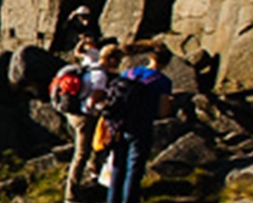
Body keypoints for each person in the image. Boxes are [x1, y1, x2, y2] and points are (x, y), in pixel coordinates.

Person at [105, 47, 174, 203]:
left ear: (150, 57)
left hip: (118, 124)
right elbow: (163, 112)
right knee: (134, 169)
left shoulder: (129, 72)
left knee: (117, 166)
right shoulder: (163, 81)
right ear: (167, 62)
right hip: (141, 124)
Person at [64, 44, 121, 203]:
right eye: (117, 61)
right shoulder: (100, 76)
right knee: (81, 154)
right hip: (84, 116)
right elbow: (91, 102)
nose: (117, 66)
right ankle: (71, 195)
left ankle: (93, 176)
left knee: (89, 149)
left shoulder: (89, 67)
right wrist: (102, 106)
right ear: (111, 59)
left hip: (72, 113)